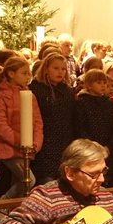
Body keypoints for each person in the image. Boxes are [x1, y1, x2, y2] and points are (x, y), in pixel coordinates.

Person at [0, 57, 44, 199]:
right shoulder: (1, 95)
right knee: (28, 180)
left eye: (29, 73)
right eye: (24, 73)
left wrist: (35, 143)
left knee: (18, 182)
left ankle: (13, 211)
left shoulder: (29, 95)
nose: (28, 77)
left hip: (27, 148)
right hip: (8, 148)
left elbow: (37, 121)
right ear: (11, 74)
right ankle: (2, 204)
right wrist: (21, 141)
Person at [31, 54, 76, 185]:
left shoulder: (67, 91)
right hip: (45, 141)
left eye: (63, 69)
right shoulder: (36, 89)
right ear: (46, 69)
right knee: (46, 180)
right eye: (56, 68)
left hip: (64, 141)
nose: (60, 72)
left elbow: (72, 117)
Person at [75, 69, 113, 187]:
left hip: (108, 150)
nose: (103, 85)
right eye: (98, 82)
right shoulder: (81, 103)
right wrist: (94, 148)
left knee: (110, 181)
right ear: (89, 85)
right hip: (90, 150)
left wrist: (109, 147)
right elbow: (81, 128)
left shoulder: (109, 103)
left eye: (104, 83)